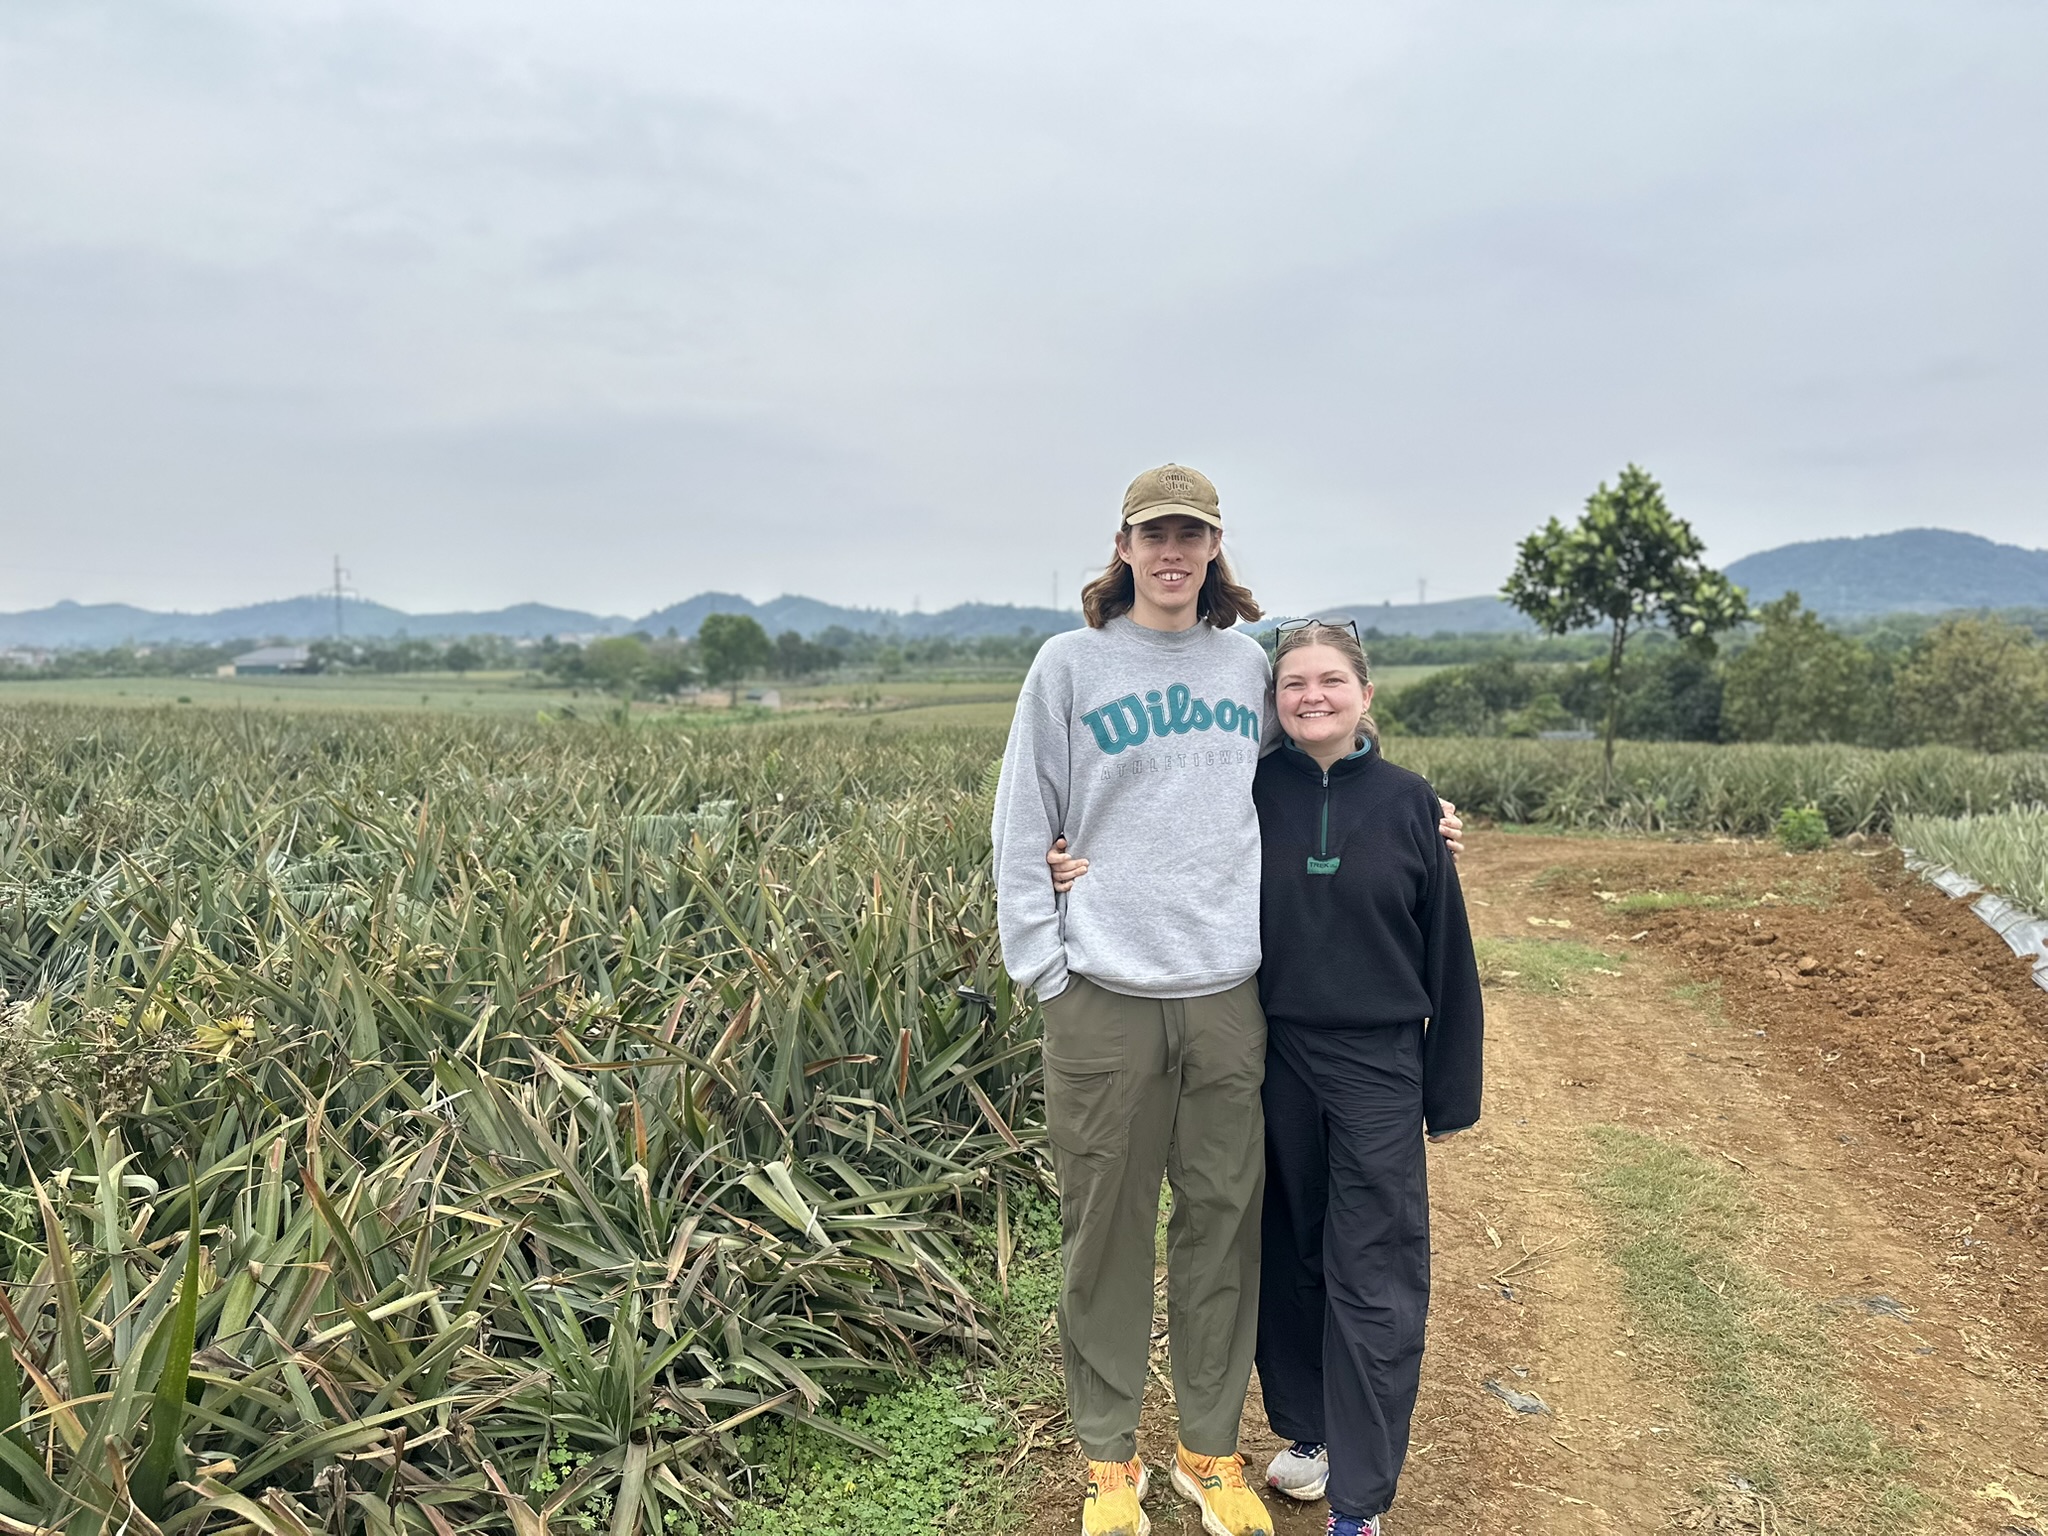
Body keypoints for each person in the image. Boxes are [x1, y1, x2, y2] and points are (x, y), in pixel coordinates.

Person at [992, 467, 1462, 1536]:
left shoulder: (1241, 666)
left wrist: (1405, 809)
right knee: (1103, 1235)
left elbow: (1312, 749)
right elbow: (1025, 820)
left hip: (1225, 999)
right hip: (1101, 996)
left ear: (1213, 550)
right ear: (1122, 545)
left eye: (1190, 536)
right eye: (1153, 534)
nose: (1171, 553)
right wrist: (1045, 967)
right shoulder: (1067, 666)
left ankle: (1209, 1452)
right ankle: (1110, 1463)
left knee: (1224, 1231)